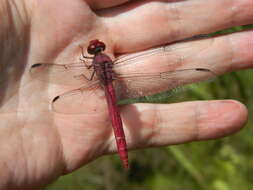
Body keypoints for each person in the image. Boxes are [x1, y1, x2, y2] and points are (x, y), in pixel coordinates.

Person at [0, 0, 252, 189]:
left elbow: (80, 74)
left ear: (92, 53)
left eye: (95, 48)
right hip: (112, 86)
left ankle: (124, 150)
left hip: (103, 88)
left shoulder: (91, 63)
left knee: (109, 101)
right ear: (102, 53)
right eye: (96, 47)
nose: (97, 48)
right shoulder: (107, 61)